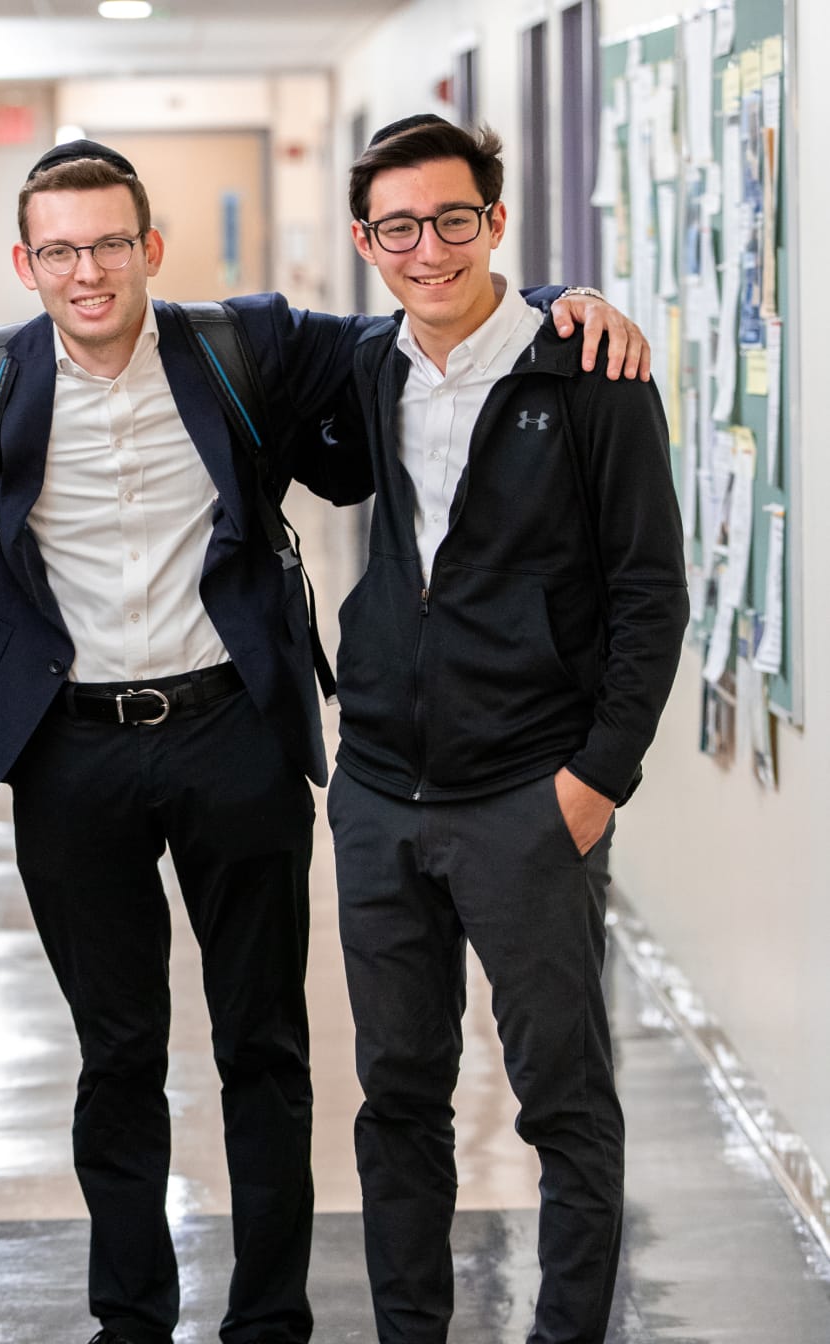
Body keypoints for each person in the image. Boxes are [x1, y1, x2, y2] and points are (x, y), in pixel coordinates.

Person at [0, 143, 647, 1344]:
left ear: (150, 249)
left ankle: (269, 1319)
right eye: (59, 249)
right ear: (24, 262)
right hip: (73, 755)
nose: (86, 271)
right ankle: (131, 1317)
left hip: (233, 737)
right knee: (118, 1054)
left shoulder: (239, 344)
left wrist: (572, 301)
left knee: (266, 1049)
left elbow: (427, 301)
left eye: (109, 244)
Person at [325, 115, 688, 1344]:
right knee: (399, 1097)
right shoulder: (371, 365)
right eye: (399, 227)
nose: (429, 250)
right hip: (380, 794)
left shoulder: (591, 373)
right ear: (367, 241)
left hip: (530, 798)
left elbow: (652, 593)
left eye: (454, 219)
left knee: (564, 1102)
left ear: (495, 219)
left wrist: (597, 782)